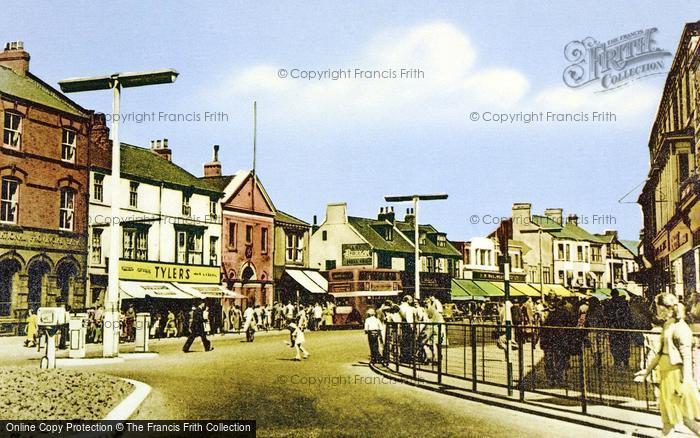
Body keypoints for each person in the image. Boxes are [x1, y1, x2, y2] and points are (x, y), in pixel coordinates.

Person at [635, 293, 700, 436]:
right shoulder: (668, 324)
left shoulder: (680, 328)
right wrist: (646, 372)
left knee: (683, 419)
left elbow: (687, 357)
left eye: (657, 307)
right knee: (670, 419)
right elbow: (659, 353)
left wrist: (686, 382)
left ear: (664, 308)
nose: (656, 311)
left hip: (676, 376)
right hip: (666, 376)